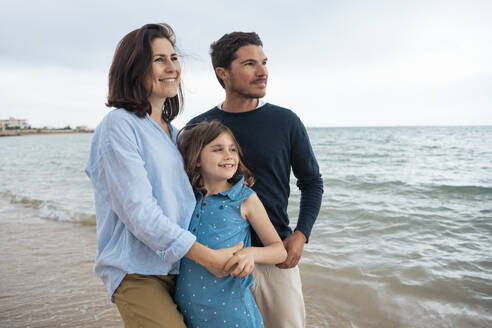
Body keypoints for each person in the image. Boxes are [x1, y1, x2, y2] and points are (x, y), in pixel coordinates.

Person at [85, 23, 243, 328]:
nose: (172, 67)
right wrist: (209, 257)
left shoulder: (173, 134)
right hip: (137, 271)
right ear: (134, 68)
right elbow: (139, 213)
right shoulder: (119, 125)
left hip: (182, 268)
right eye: (159, 59)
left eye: (174, 57)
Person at [188, 32, 323, 327]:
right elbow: (184, 192)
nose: (263, 72)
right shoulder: (198, 128)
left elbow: (312, 181)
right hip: (215, 261)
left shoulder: (286, 122)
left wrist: (301, 235)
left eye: (264, 63)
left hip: (274, 255)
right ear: (223, 73)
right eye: (250, 64)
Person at [174, 120, 287, 328]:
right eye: (217, 149)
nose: (228, 155)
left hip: (234, 315)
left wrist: (250, 254)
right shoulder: (187, 198)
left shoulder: (244, 198)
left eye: (233, 150)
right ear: (196, 159)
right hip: (190, 311)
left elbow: (279, 250)